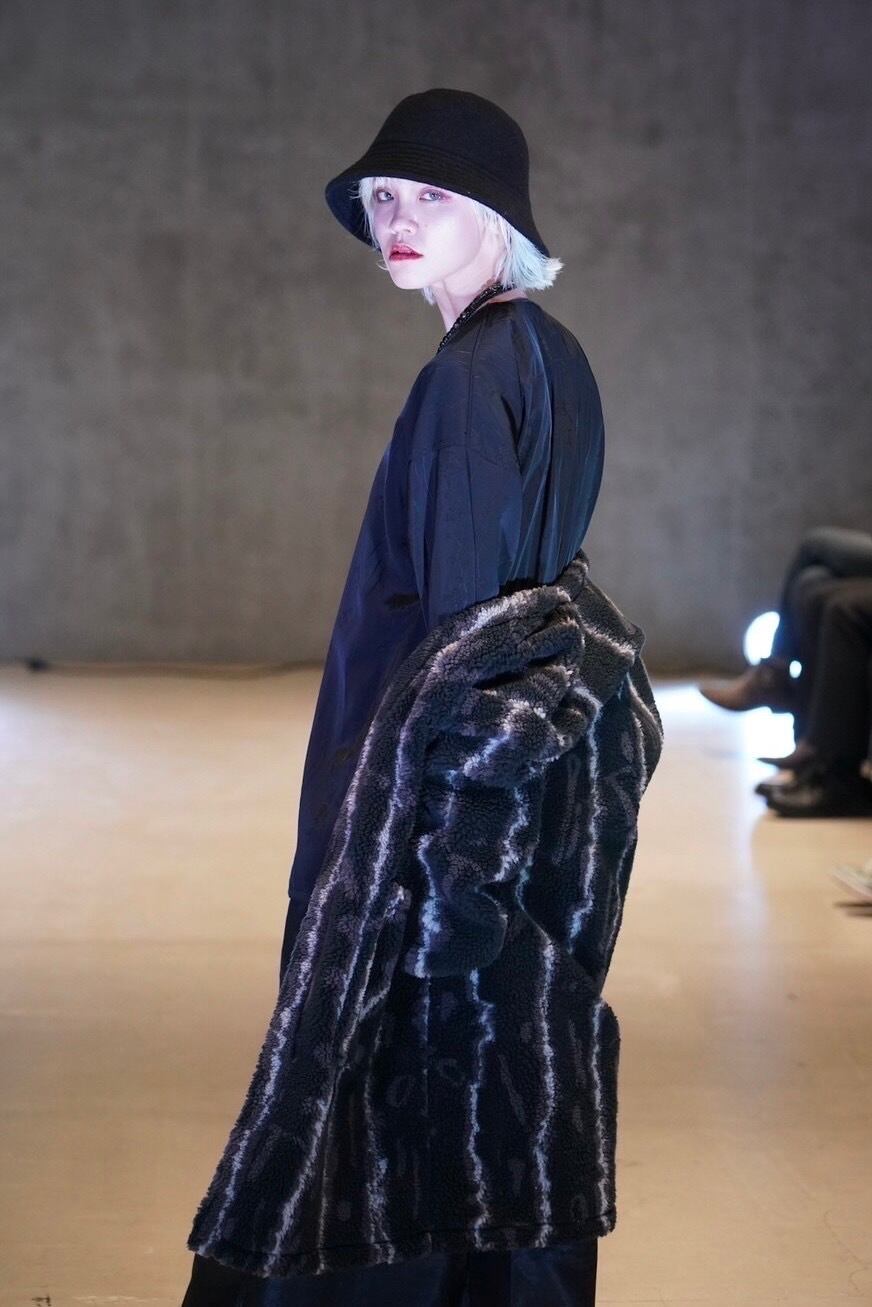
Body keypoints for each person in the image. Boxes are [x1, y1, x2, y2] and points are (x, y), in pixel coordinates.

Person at [181, 87, 610, 1306]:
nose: (398, 219)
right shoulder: (548, 354)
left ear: (497, 216)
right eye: (382, 197)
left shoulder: (466, 380)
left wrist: (430, 874)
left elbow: (461, 639)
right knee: (486, 1099)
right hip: (509, 792)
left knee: (371, 1107)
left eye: (432, 195)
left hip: (419, 807)